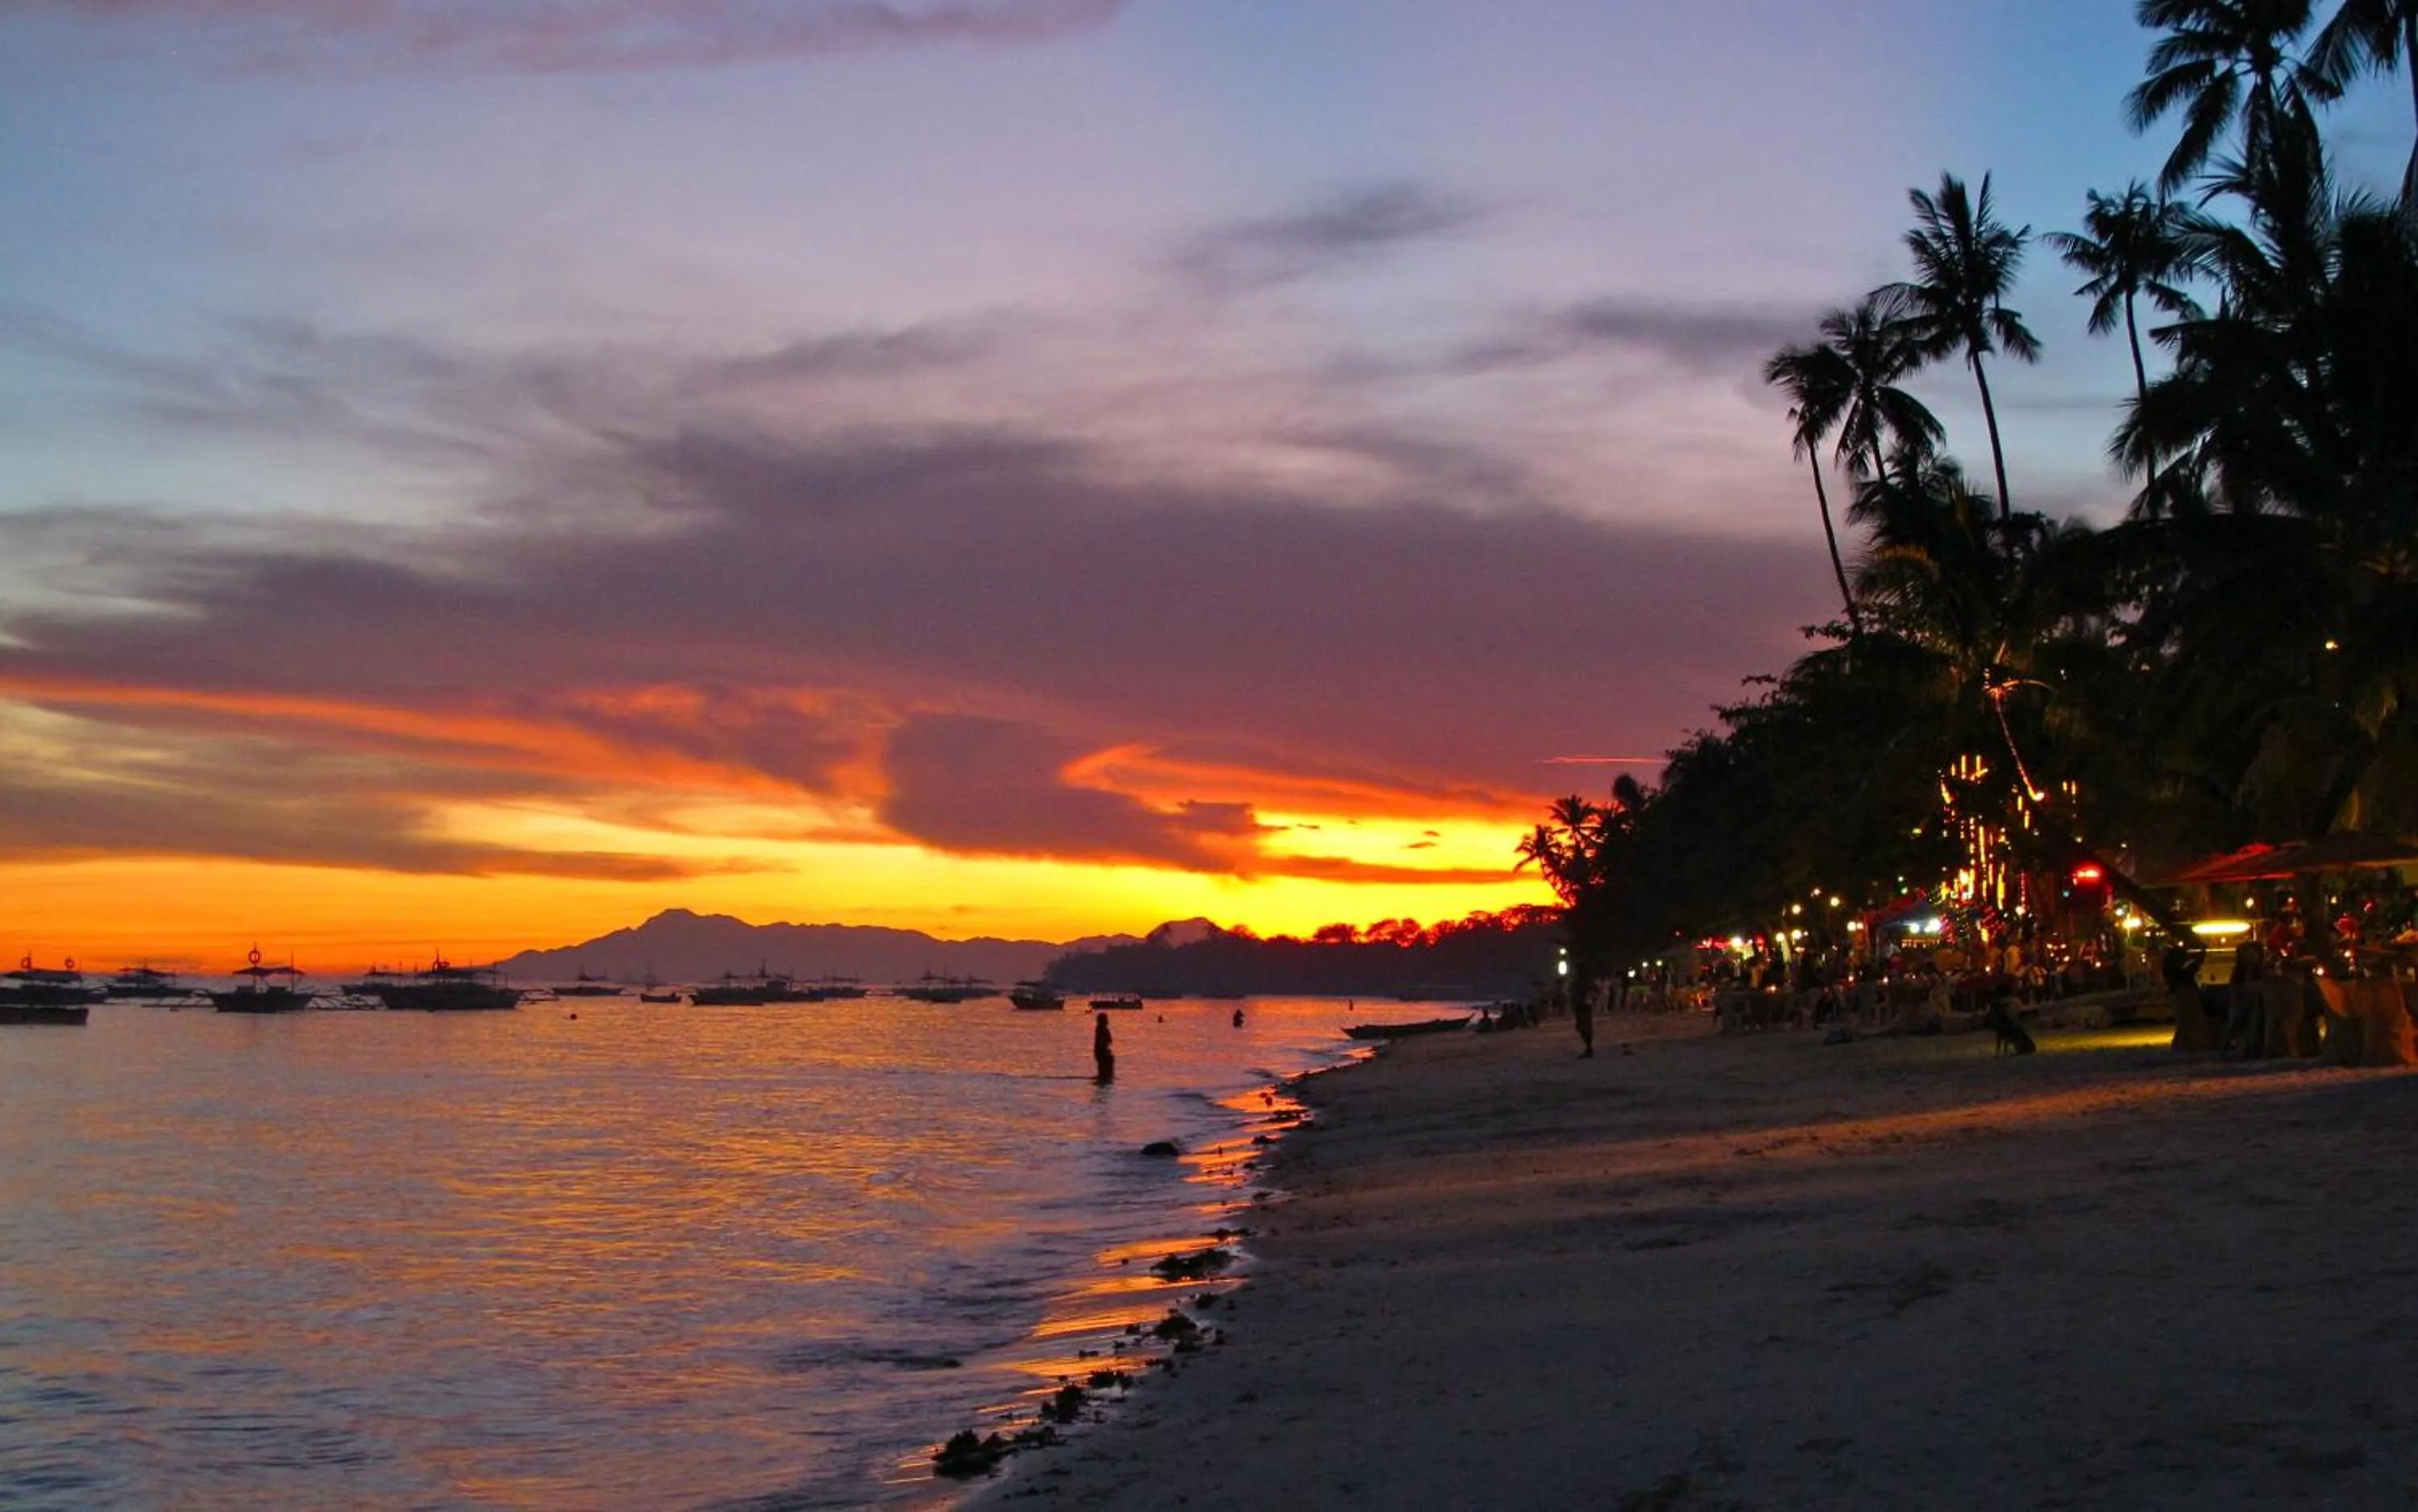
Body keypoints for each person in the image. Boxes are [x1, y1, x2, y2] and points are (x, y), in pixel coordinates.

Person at [1092, 1011, 1116, 1084]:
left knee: (1104, 1070)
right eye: (1106, 1019)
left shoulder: (1101, 1028)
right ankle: (1104, 1079)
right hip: (1102, 1053)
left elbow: (1109, 1040)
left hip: (1101, 1052)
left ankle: (1104, 1078)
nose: (1108, 1020)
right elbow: (1105, 1041)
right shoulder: (1101, 1029)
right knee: (1104, 1070)